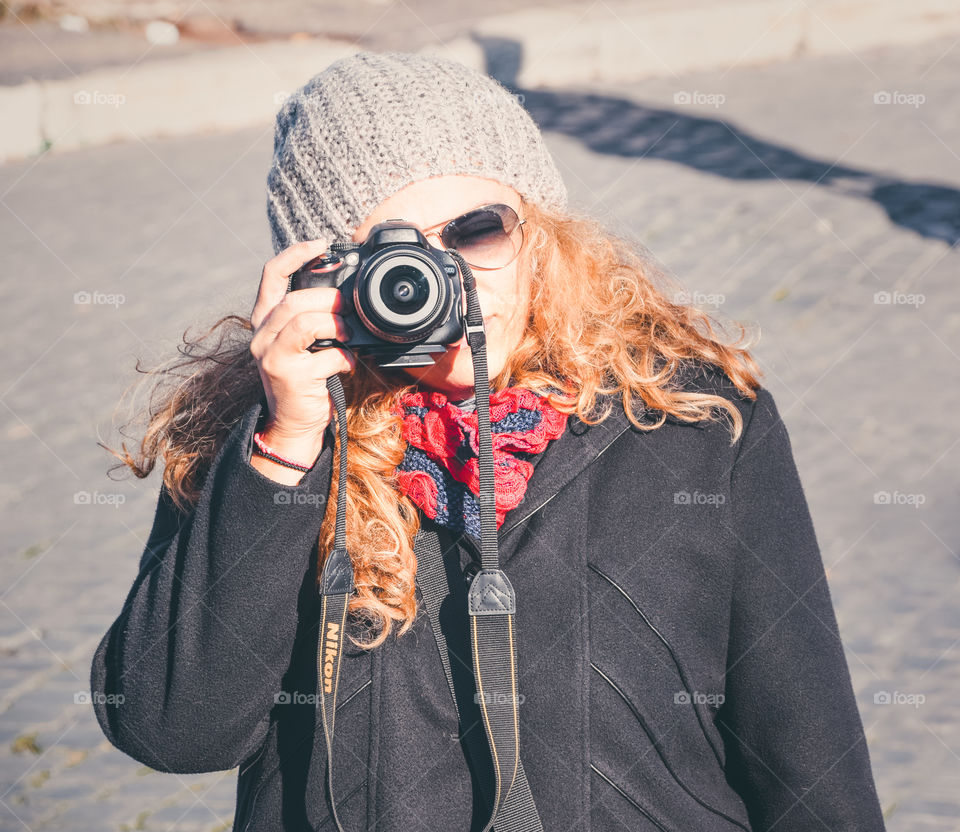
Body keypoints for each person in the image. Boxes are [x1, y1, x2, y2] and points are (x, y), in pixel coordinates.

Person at [91, 51, 887, 831]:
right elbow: (173, 731)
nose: (442, 281)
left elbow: (805, 741)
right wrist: (283, 451)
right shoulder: (266, 442)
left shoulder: (692, 419)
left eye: (475, 230)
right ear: (322, 278)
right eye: (391, 256)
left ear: (539, 232)